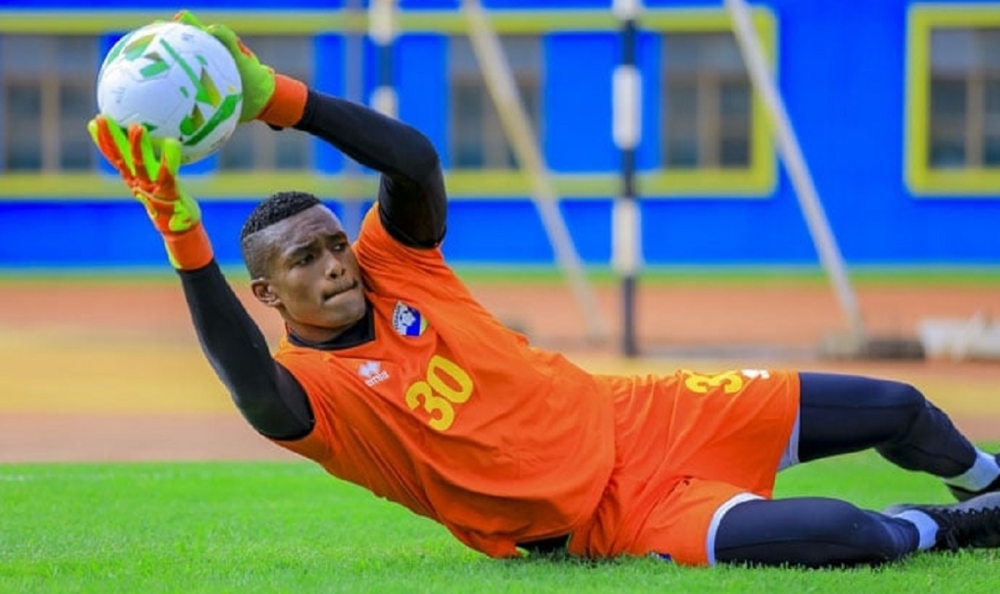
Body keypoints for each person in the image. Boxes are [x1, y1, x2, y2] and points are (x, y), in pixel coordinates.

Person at [88, 10, 1000, 569]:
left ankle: (991, 491)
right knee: (849, 534)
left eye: (334, 241)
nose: (333, 262)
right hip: (611, 515)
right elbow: (251, 387)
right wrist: (181, 234)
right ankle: (946, 532)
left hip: (645, 414)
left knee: (898, 406)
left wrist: (275, 96)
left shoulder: (398, 266)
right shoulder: (315, 394)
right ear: (267, 294)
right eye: (304, 261)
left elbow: (412, 162)